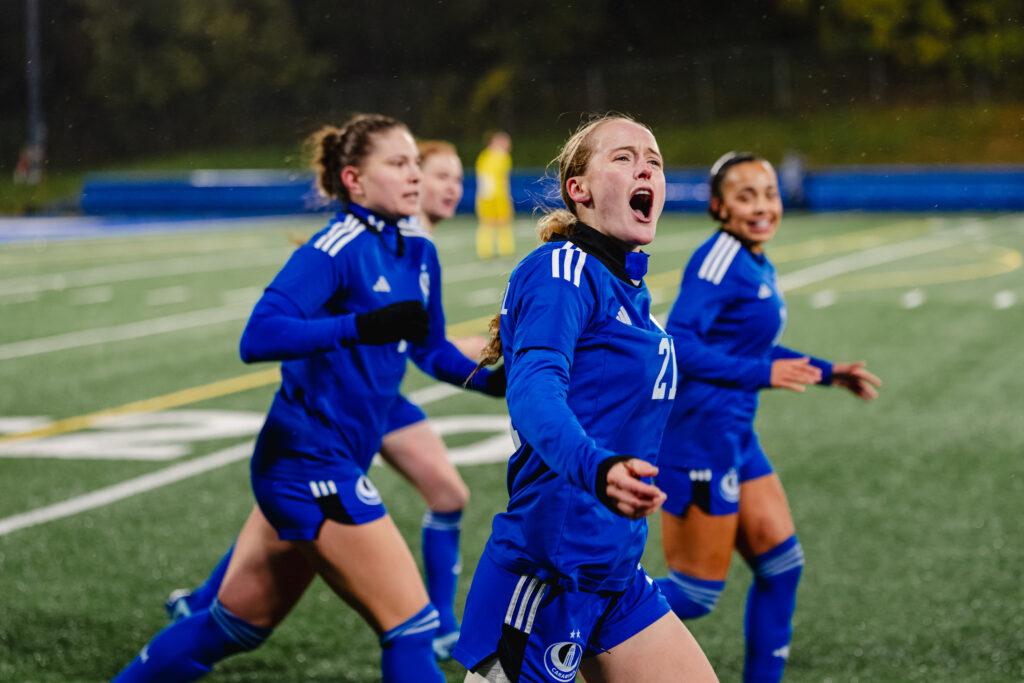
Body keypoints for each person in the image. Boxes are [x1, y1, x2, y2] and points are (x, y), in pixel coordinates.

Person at [112, 114, 503, 682]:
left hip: (329, 460)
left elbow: (431, 349)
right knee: (412, 626)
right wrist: (358, 327)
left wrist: (498, 382)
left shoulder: (418, 248)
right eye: (398, 164)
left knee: (232, 627)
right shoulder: (336, 247)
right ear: (354, 180)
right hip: (307, 462)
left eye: (415, 163)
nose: (415, 175)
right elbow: (258, 336)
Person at [454, 114, 718, 683]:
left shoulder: (625, 286)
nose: (645, 168)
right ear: (579, 189)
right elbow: (534, 391)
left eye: (654, 160)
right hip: (546, 575)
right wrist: (599, 468)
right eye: (623, 158)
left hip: (614, 573)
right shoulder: (561, 270)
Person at [652, 152, 882, 683]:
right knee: (694, 593)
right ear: (718, 207)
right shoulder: (718, 259)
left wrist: (827, 372)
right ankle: (564, 618)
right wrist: (760, 373)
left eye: (770, 194)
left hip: (735, 435)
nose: (762, 207)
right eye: (745, 196)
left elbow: (751, 348)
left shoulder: (753, 257)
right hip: (697, 439)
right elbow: (678, 342)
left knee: (781, 566)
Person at [474, 130, 515, 259]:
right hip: (497, 196)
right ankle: (504, 250)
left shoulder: (484, 156)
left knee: (488, 224)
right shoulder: (503, 157)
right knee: (502, 223)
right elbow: (503, 179)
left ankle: (486, 251)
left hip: (486, 196)